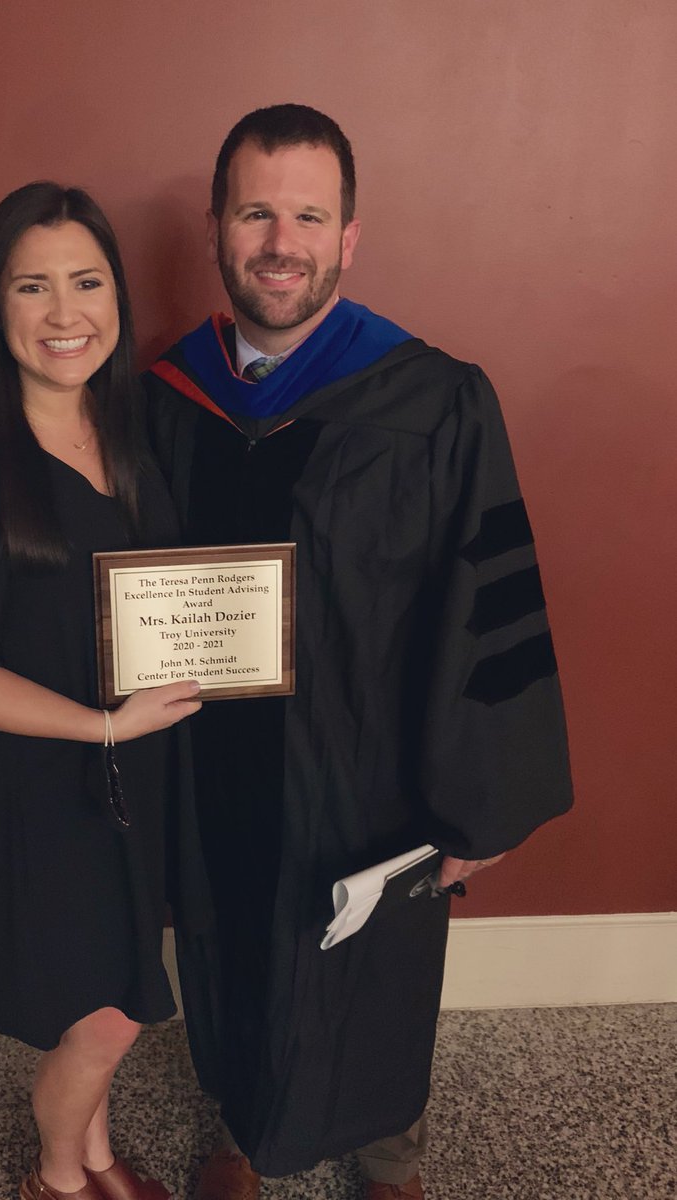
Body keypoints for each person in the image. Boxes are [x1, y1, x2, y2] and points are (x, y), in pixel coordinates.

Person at [144, 105, 574, 1200]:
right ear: (216, 228)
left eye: (307, 216)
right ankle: (241, 1128)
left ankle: (390, 1155)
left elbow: (485, 603)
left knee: (375, 956)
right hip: (215, 758)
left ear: (348, 236)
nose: (279, 242)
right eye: (255, 213)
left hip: (376, 766)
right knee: (230, 936)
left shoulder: (434, 401)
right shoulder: (166, 397)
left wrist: (478, 805)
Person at [0, 182, 203, 1200]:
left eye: (87, 282)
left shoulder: (140, 436)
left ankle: (98, 1155)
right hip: (43, 785)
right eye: (33, 286)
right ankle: (57, 1178)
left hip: (139, 770)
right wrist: (103, 724)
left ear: (117, 297)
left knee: (111, 980)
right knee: (107, 1014)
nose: (66, 313)